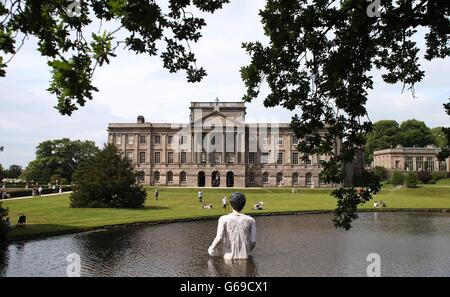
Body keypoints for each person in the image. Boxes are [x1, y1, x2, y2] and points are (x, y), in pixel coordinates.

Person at [208, 192, 257, 260]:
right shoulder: (251, 220)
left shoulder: (223, 219)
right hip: (245, 257)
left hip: (228, 258)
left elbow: (219, 238)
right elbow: (253, 241)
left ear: (231, 204)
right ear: (244, 204)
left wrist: (212, 248)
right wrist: (247, 251)